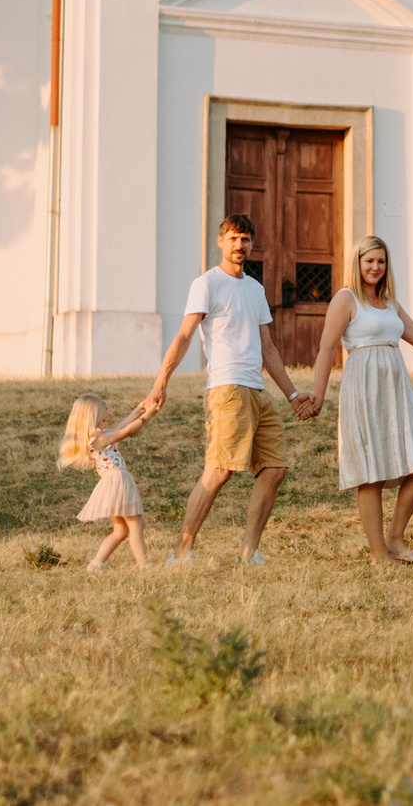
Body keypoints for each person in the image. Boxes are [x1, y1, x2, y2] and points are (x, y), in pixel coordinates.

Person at [288, 234, 413, 564]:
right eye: (369, 261)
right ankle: (379, 554)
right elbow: (325, 349)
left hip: (395, 389)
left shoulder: (390, 302)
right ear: (358, 264)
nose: (375, 267)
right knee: (370, 471)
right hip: (362, 387)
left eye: (381, 261)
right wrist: (319, 395)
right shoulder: (346, 299)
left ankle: (395, 535)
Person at [144, 213, 300, 566]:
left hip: (258, 391)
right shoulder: (207, 284)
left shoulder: (255, 289)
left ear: (252, 243)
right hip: (227, 388)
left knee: (274, 469)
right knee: (219, 470)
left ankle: (249, 553)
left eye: (245, 239)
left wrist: (291, 394)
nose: (239, 245)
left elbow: (268, 349)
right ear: (220, 241)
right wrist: (160, 382)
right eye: (232, 238)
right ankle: (181, 552)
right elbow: (185, 336)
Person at [58, 392, 152, 571]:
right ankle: (145, 566)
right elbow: (127, 431)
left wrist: (137, 412)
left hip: (113, 482)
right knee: (136, 524)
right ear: (91, 419)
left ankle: (95, 565)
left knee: (121, 531)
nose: (105, 424)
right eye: (103, 421)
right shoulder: (98, 439)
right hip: (118, 480)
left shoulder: (96, 436)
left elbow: (119, 428)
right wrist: (149, 415)